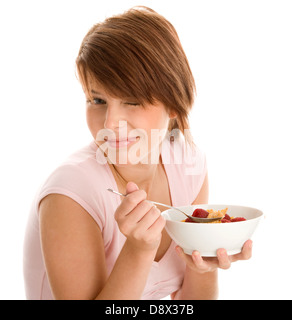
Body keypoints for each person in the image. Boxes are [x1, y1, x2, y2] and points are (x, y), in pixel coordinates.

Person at [23, 6, 252, 300]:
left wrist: (203, 269)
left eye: (131, 101)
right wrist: (139, 250)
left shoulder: (189, 166)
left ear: (173, 103)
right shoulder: (69, 195)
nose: (109, 123)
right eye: (97, 99)